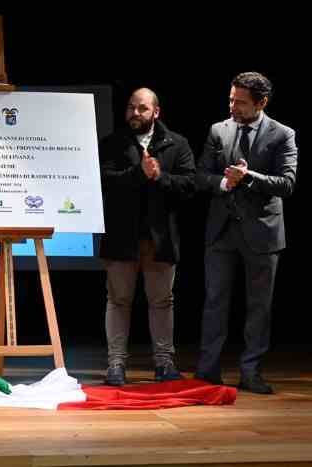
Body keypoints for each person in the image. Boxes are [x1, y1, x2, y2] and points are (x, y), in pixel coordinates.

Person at [195, 72, 297, 394]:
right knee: (214, 302)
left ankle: (251, 372)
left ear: (261, 102)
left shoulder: (283, 135)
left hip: (262, 233)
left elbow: (287, 183)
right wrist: (225, 182)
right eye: (230, 99)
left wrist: (248, 176)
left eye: (240, 102)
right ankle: (208, 371)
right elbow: (201, 175)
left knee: (258, 307)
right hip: (222, 231)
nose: (233, 106)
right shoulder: (217, 131)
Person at [98, 88, 196, 386]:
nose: (134, 113)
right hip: (121, 236)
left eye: (142, 108)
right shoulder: (112, 143)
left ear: (156, 112)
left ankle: (164, 363)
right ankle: (115, 365)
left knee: (162, 301)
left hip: (160, 238)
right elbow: (104, 182)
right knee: (118, 300)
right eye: (130, 108)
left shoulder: (177, 144)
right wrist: (139, 174)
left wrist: (159, 177)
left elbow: (190, 185)